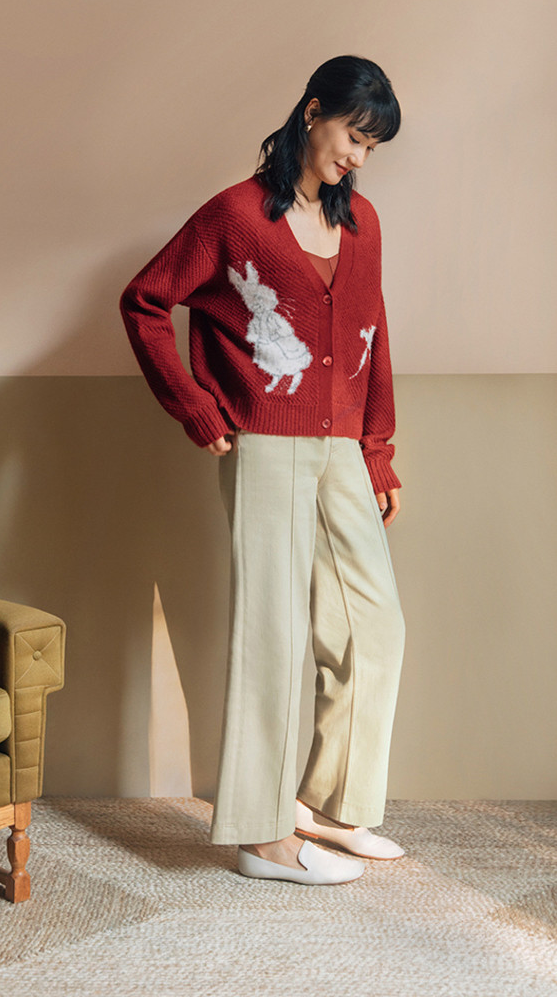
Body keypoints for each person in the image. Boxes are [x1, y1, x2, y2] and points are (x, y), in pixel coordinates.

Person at [120, 55, 406, 886]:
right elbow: (145, 301)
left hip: (342, 446)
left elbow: (374, 336)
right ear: (313, 112)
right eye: (352, 135)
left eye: (371, 147)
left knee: (374, 625)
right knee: (272, 635)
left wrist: (377, 450)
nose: (356, 157)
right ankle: (261, 836)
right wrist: (194, 405)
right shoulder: (235, 216)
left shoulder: (364, 224)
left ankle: (329, 804)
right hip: (265, 442)